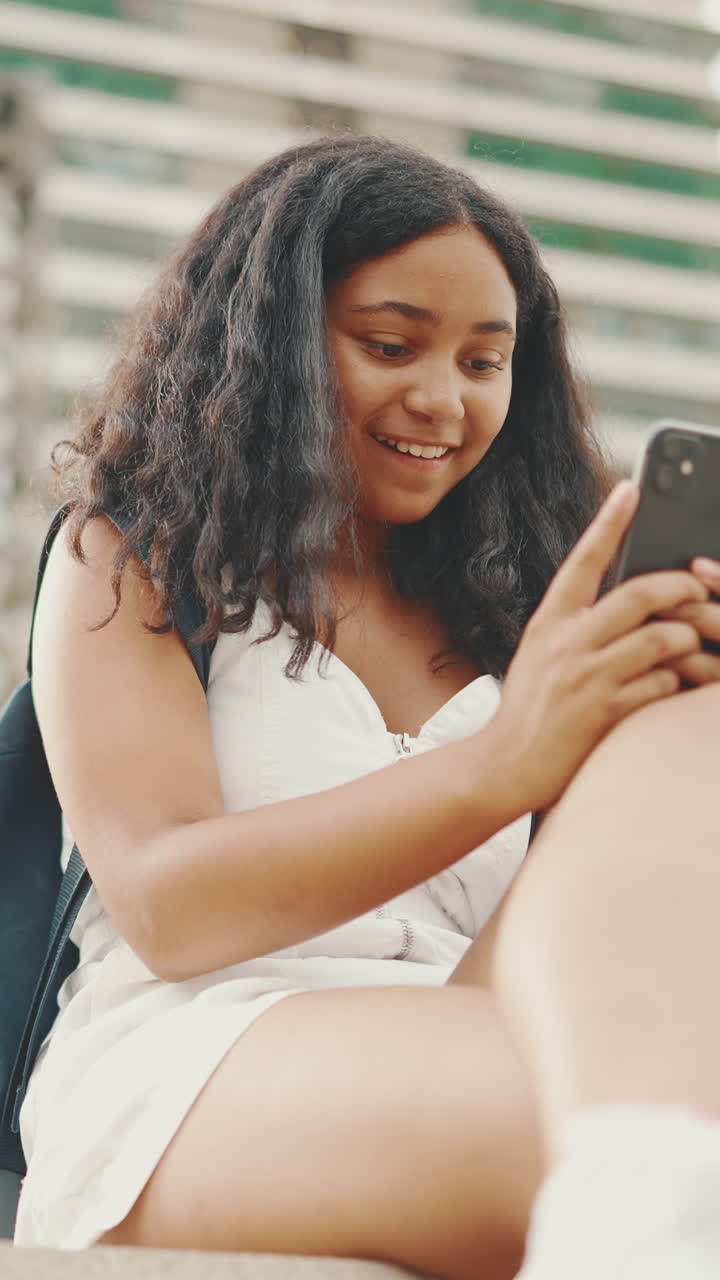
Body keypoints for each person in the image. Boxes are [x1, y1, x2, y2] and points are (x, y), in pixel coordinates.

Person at [13, 133, 720, 1280]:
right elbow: (164, 903)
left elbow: (535, 941)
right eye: (391, 344)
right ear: (275, 343)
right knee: (607, 1125)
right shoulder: (137, 560)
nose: (441, 399)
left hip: (464, 1014)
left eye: (487, 363)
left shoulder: (520, 613)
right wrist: (504, 760)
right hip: (198, 1055)